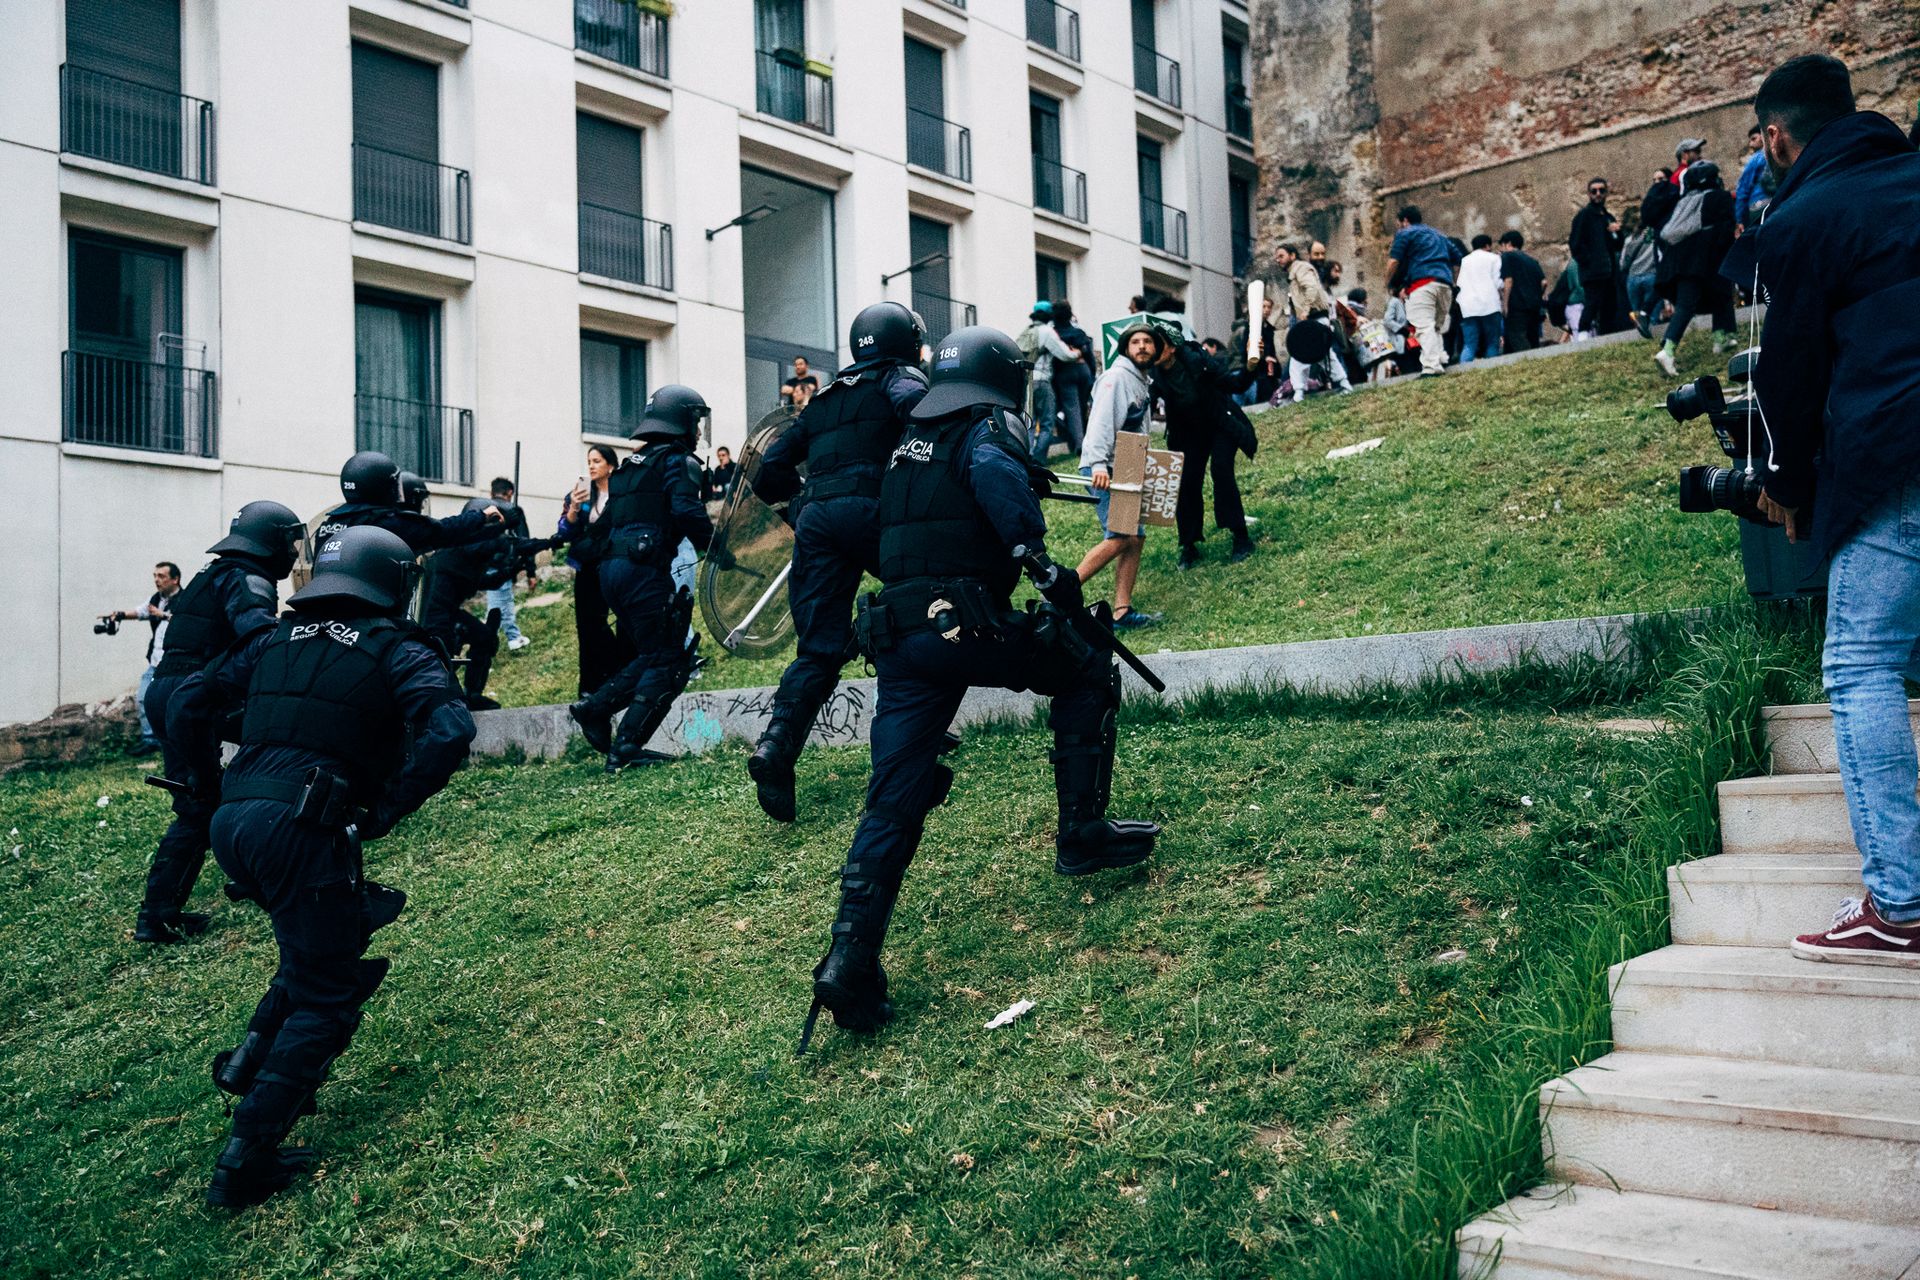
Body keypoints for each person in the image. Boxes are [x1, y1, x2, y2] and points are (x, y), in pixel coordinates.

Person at [803, 326, 1162, 1045]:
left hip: (901, 640)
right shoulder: (986, 425)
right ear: (1002, 376)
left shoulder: (908, 442)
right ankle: (1081, 834)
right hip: (965, 625)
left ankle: (849, 960)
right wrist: (1039, 562)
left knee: (892, 796)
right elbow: (1000, 487)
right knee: (1087, 664)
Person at [194, 525, 475, 1207]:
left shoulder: (271, 640)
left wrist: (205, 783)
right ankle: (244, 1160)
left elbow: (188, 701)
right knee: (329, 992)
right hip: (300, 828)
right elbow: (451, 730)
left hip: (233, 822)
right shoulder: (396, 646)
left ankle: (247, 1061)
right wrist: (387, 809)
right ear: (393, 581)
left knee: (323, 941)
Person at [1729, 55, 1920, 965]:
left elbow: (1785, 379)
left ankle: (1904, 903)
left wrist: (1789, 489)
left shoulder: (1800, 219)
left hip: (1895, 453)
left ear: (1775, 136)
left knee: (1861, 662)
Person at [747, 302, 930, 823]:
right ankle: (918, 723)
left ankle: (777, 746)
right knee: (920, 598)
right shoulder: (898, 378)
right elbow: (919, 411)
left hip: (818, 522)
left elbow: (768, 472)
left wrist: (801, 507)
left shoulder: (822, 399)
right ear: (903, 341)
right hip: (876, 511)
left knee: (818, 649)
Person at [135, 502, 306, 944]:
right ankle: (266, 875)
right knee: (266, 773)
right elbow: (258, 636)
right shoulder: (247, 577)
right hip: (196, 697)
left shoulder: (211, 573)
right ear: (269, 540)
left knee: (199, 802)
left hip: (168, 691)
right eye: (290, 540)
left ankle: (159, 915)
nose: (293, 549)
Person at [566, 387, 715, 772]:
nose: (698, 430)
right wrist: (718, 548)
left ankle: (592, 708)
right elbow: (685, 510)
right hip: (643, 571)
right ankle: (626, 748)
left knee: (653, 654)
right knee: (670, 661)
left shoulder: (631, 464)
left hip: (613, 573)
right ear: (680, 421)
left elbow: (607, 524)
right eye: (695, 421)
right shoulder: (679, 461)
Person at [1076, 323, 1163, 620]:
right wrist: (1098, 464)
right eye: (1135, 342)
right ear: (1126, 348)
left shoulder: (1141, 381)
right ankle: (1061, 590)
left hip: (1126, 464)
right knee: (1121, 536)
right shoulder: (1116, 377)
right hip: (1106, 466)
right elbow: (1100, 421)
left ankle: (1122, 611)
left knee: (1135, 538)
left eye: (1148, 342)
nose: (1142, 346)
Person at [1155, 332, 1258, 570]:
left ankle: (1241, 537)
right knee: (1186, 482)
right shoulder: (1153, 374)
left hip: (1219, 424)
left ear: (1171, 348)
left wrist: (1251, 363)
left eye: (1155, 343)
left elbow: (1235, 384)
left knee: (1221, 471)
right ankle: (1189, 545)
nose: (1149, 349)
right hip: (1189, 434)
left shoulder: (1197, 362)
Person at [315, 451, 504, 556]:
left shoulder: (328, 525)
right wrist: (482, 515)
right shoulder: (387, 523)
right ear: (383, 487)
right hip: (372, 615)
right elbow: (442, 531)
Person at [560, 444, 634, 698]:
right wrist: (571, 510)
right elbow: (565, 532)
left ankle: (621, 675)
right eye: (589, 461)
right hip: (588, 566)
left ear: (610, 465)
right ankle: (590, 684)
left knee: (624, 620)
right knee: (588, 624)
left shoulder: (622, 492)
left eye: (597, 461)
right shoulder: (581, 495)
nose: (591, 466)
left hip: (616, 563)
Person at [1651, 160, 1737, 376]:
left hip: (1680, 261)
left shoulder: (1685, 202)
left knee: (1688, 304)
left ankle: (1717, 338)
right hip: (1708, 259)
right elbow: (1725, 231)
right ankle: (1668, 352)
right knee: (1719, 293)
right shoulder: (1719, 197)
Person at [109, 561, 182, 754]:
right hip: (155, 661)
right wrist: (120, 615)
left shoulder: (185, 599)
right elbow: (142, 611)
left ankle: (173, 740)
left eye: (162, 576)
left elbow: (186, 621)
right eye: (155, 576)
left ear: (175, 579)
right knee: (143, 698)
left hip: (174, 663)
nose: (157, 580)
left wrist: (163, 615)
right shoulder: (156, 599)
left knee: (174, 702)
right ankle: (151, 740)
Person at [1384, 206, 1459, 377]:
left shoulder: (1405, 233)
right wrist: (1454, 281)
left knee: (1423, 325)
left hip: (1422, 283)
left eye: (1399, 224)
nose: (1399, 227)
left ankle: (1431, 366)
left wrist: (1388, 282)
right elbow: (1458, 257)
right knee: (1437, 326)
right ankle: (1440, 358)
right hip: (1445, 284)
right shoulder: (1439, 235)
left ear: (1405, 221)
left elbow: (1394, 262)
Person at [1276, 242, 1354, 400]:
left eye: (1281, 256)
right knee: (1322, 355)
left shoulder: (1301, 268)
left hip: (1313, 318)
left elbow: (1311, 288)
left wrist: (1305, 310)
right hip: (1315, 319)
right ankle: (1344, 383)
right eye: (1277, 257)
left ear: (1292, 256)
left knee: (1301, 355)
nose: (1278, 260)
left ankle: (1298, 392)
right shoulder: (1296, 271)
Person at [1015, 301, 1082, 459]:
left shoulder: (1025, 332)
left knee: (1029, 423)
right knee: (1047, 423)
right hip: (1042, 381)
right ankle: (1038, 458)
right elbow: (1065, 355)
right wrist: (1077, 353)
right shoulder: (1047, 331)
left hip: (1026, 382)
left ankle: (1028, 456)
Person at [1568, 177, 1625, 335]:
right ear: (1589, 194)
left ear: (1606, 193)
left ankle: (1606, 338)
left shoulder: (1608, 217)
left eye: (1601, 190)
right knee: (1592, 304)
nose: (1598, 194)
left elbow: (1618, 245)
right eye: (1594, 191)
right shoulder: (1584, 216)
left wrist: (1617, 233)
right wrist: (1589, 262)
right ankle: (1583, 337)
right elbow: (1575, 244)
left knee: (1609, 306)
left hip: (1609, 271)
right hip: (1593, 272)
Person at [485, 478, 531, 653]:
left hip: (485, 562)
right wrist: (530, 570)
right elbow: (524, 541)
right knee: (498, 605)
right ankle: (495, 642)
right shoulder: (513, 511)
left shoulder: (485, 509)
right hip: (502, 564)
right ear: (510, 493)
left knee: (502, 602)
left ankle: (512, 635)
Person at [1051, 299, 1097, 453]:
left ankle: (1078, 445)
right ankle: (1086, 439)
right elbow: (1090, 355)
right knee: (1083, 407)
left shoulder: (1054, 333)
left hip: (1065, 372)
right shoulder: (1079, 332)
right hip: (1083, 370)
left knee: (1072, 408)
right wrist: (1092, 374)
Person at [1455, 234, 1505, 361]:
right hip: (1490, 304)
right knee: (1492, 342)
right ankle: (1492, 369)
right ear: (1488, 245)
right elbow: (1498, 282)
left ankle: (1464, 370)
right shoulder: (1494, 258)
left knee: (1469, 344)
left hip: (1468, 307)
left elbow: (1459, 283)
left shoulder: (1465, 260)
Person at [1619, 215, 1662, 339]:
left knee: (1637, 314)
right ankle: (1654, 336)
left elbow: (1622, 263)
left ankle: (1641, 337)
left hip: (1632, 279)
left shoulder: (1629, 240)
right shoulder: (1654, 237)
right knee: (1652, 313)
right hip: (1651, 276)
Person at [1732, 122, 1773, 233]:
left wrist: (1739, 219)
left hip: (1759, 206)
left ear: (1763, 135)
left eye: (1753, 139)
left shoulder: (1757, 158)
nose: (1750, 144)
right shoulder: (1778, 153)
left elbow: (1742, 189)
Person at [704, 446, 739, 521]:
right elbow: (715, 484)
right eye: (719, 456)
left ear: (728, 455)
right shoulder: (718, 469)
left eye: (723, 455)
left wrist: (727, 465)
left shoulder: (734, 467)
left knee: (728, 486)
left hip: (732, 494)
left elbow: (737, 481)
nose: (721, 458)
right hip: (722, 495)